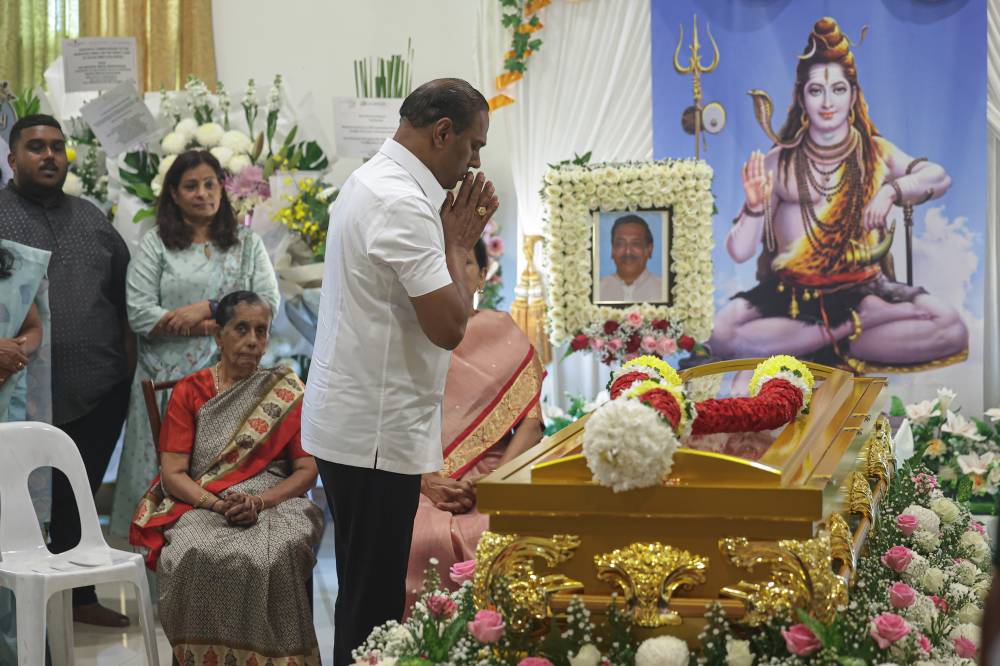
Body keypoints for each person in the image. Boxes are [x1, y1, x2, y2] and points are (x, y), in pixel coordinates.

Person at [302, 78, 498, 666]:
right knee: (372, 605)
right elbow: (449, 327)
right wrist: (460, 245)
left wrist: (451, 241)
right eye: (473, 146)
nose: (476, 162)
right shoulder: (401, 201)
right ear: (442, 133)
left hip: (362, 424)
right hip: (373, 434)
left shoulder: (376, 180)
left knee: (369, 593)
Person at [709, 17, 966, 371]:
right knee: (721, 333)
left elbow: (939, 177)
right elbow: (739, 251)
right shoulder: (778, 163)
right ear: (802, 98)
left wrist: (890, 191)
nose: (827, 102)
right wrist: (754, 207)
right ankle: (849, 329)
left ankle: (809, 346)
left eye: (838, 90)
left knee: (950, 327)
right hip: (794, 297)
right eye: (816, 91)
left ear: (853, 95)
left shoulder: (875, 152)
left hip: (864, 287)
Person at [130, 291, 323, 665]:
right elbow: (173, 474)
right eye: (241, 329)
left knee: (272, 555)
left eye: (261, 331)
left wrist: (260, 502)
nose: (253, 340)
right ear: (219, 336)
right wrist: (218, 504)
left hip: (277, 501)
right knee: (192, 551)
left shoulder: (286, 392)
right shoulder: (191, 391)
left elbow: (307, 470)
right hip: (203, 500)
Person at [0, 114, 136, 627]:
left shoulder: (92, 218)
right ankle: (23, 612)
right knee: (23, 506)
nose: (50, 155)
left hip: (97, 391)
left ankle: (79, 600)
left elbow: (126, 300)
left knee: (78, 496)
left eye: (57, 147)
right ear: (13, 160)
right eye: (36, 147)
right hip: (18, 396)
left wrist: (122, 377)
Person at [109, 150, 280, 539]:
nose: (203, 193)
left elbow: (269, 303)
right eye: (191, 186)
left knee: (227, 489)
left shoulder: (247, 243)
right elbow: (139, 314)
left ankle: (227, 582)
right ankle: (157, 591)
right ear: (173, 193)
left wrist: (207, 309)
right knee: (161, 487)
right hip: (167, 384)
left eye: (210, 183)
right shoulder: (156, 245)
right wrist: (221, 325)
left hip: (232, 384)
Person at [404, 239, 544, 608]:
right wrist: (425, 480)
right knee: (416, 535)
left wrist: (496, 483)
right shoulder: (408, 337)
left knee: (506, 530)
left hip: (498, 472)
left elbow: (531, 426)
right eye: (443, 261)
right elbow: (388, 425)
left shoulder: (505, 332)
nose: (453, 269)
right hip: (419, 475)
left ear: (483, 276)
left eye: (465, 262)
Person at [0, 237, 51, 664]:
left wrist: (17, 350)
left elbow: (33, 325)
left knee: (13, 532)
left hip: (7, 408)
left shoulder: (13, 262)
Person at [598, 214, 663, 302]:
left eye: (636, 244)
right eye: (620, 244)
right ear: (613, 250)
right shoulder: (597, 289)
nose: (627, 251)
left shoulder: (664, 289)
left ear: (649, 250)